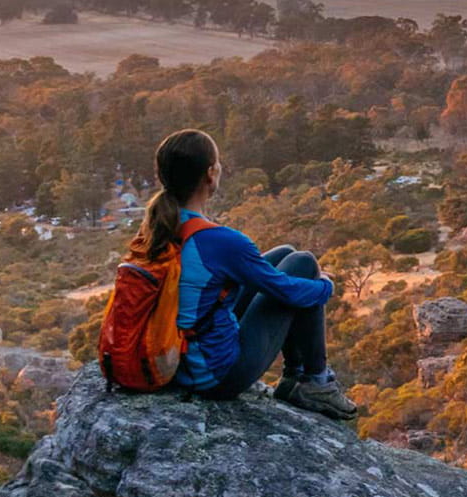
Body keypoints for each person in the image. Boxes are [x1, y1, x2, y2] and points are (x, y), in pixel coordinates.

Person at [131, 129, 359, 419]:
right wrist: (325, 286)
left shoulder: (153, 231)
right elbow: (287, 290)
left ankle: (299, 378)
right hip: (214, 377)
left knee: (283, 253)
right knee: (303, 264)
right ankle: (315, 381)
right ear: (211, 174)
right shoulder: (220, 241)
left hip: (176, 360)